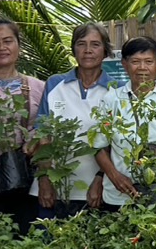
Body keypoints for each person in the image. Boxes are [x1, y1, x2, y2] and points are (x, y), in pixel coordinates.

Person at [92, 37, 156, 209]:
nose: (142, 68)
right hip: (120, 195)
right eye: (135, 62)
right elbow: (98, 146)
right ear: (124, 64)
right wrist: (115, 177)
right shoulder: (112, 99)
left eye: (148, 61)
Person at [30, 22, 114, 219]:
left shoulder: (116, 89)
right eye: (81, 44)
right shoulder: (54, 84)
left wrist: (101, 179)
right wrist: (44, 179)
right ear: (73, 49)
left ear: (105, 51)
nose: (87, 51)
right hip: (54, 186)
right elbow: (43, 133)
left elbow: (116, 142)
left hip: (97, 189)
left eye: (95, 45)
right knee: (47, 245)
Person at [0, 18, 44, 232]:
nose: (1, 47)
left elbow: (47, 126)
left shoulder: (38, 87)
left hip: (27, 175)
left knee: (27, 233)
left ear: (18, 46)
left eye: (7, 41)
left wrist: (37, 142)